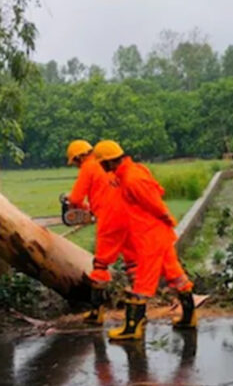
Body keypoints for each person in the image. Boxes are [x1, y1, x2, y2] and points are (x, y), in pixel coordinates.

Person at [92, 140, 197, 340]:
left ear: (107, 162)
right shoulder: (128, 174)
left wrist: (167, 217)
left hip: (151, 236)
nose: (101, 168)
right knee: (175, 275)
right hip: (157, 235)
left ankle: (133, 327)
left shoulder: (132, 178)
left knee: (142, 282)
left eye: (101, 163)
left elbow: (154, 202)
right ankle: (189, 317)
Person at [64, 140, 135, 325]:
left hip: (109, 219)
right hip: (127, 215)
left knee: (101, 266)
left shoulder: (88, 168)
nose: (77, 165)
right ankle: (137, 311)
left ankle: (97, 312)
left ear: (80, 157)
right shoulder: (107, 163)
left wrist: (73, 203)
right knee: (133, 264)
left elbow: (76, 198)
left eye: (76, 162)